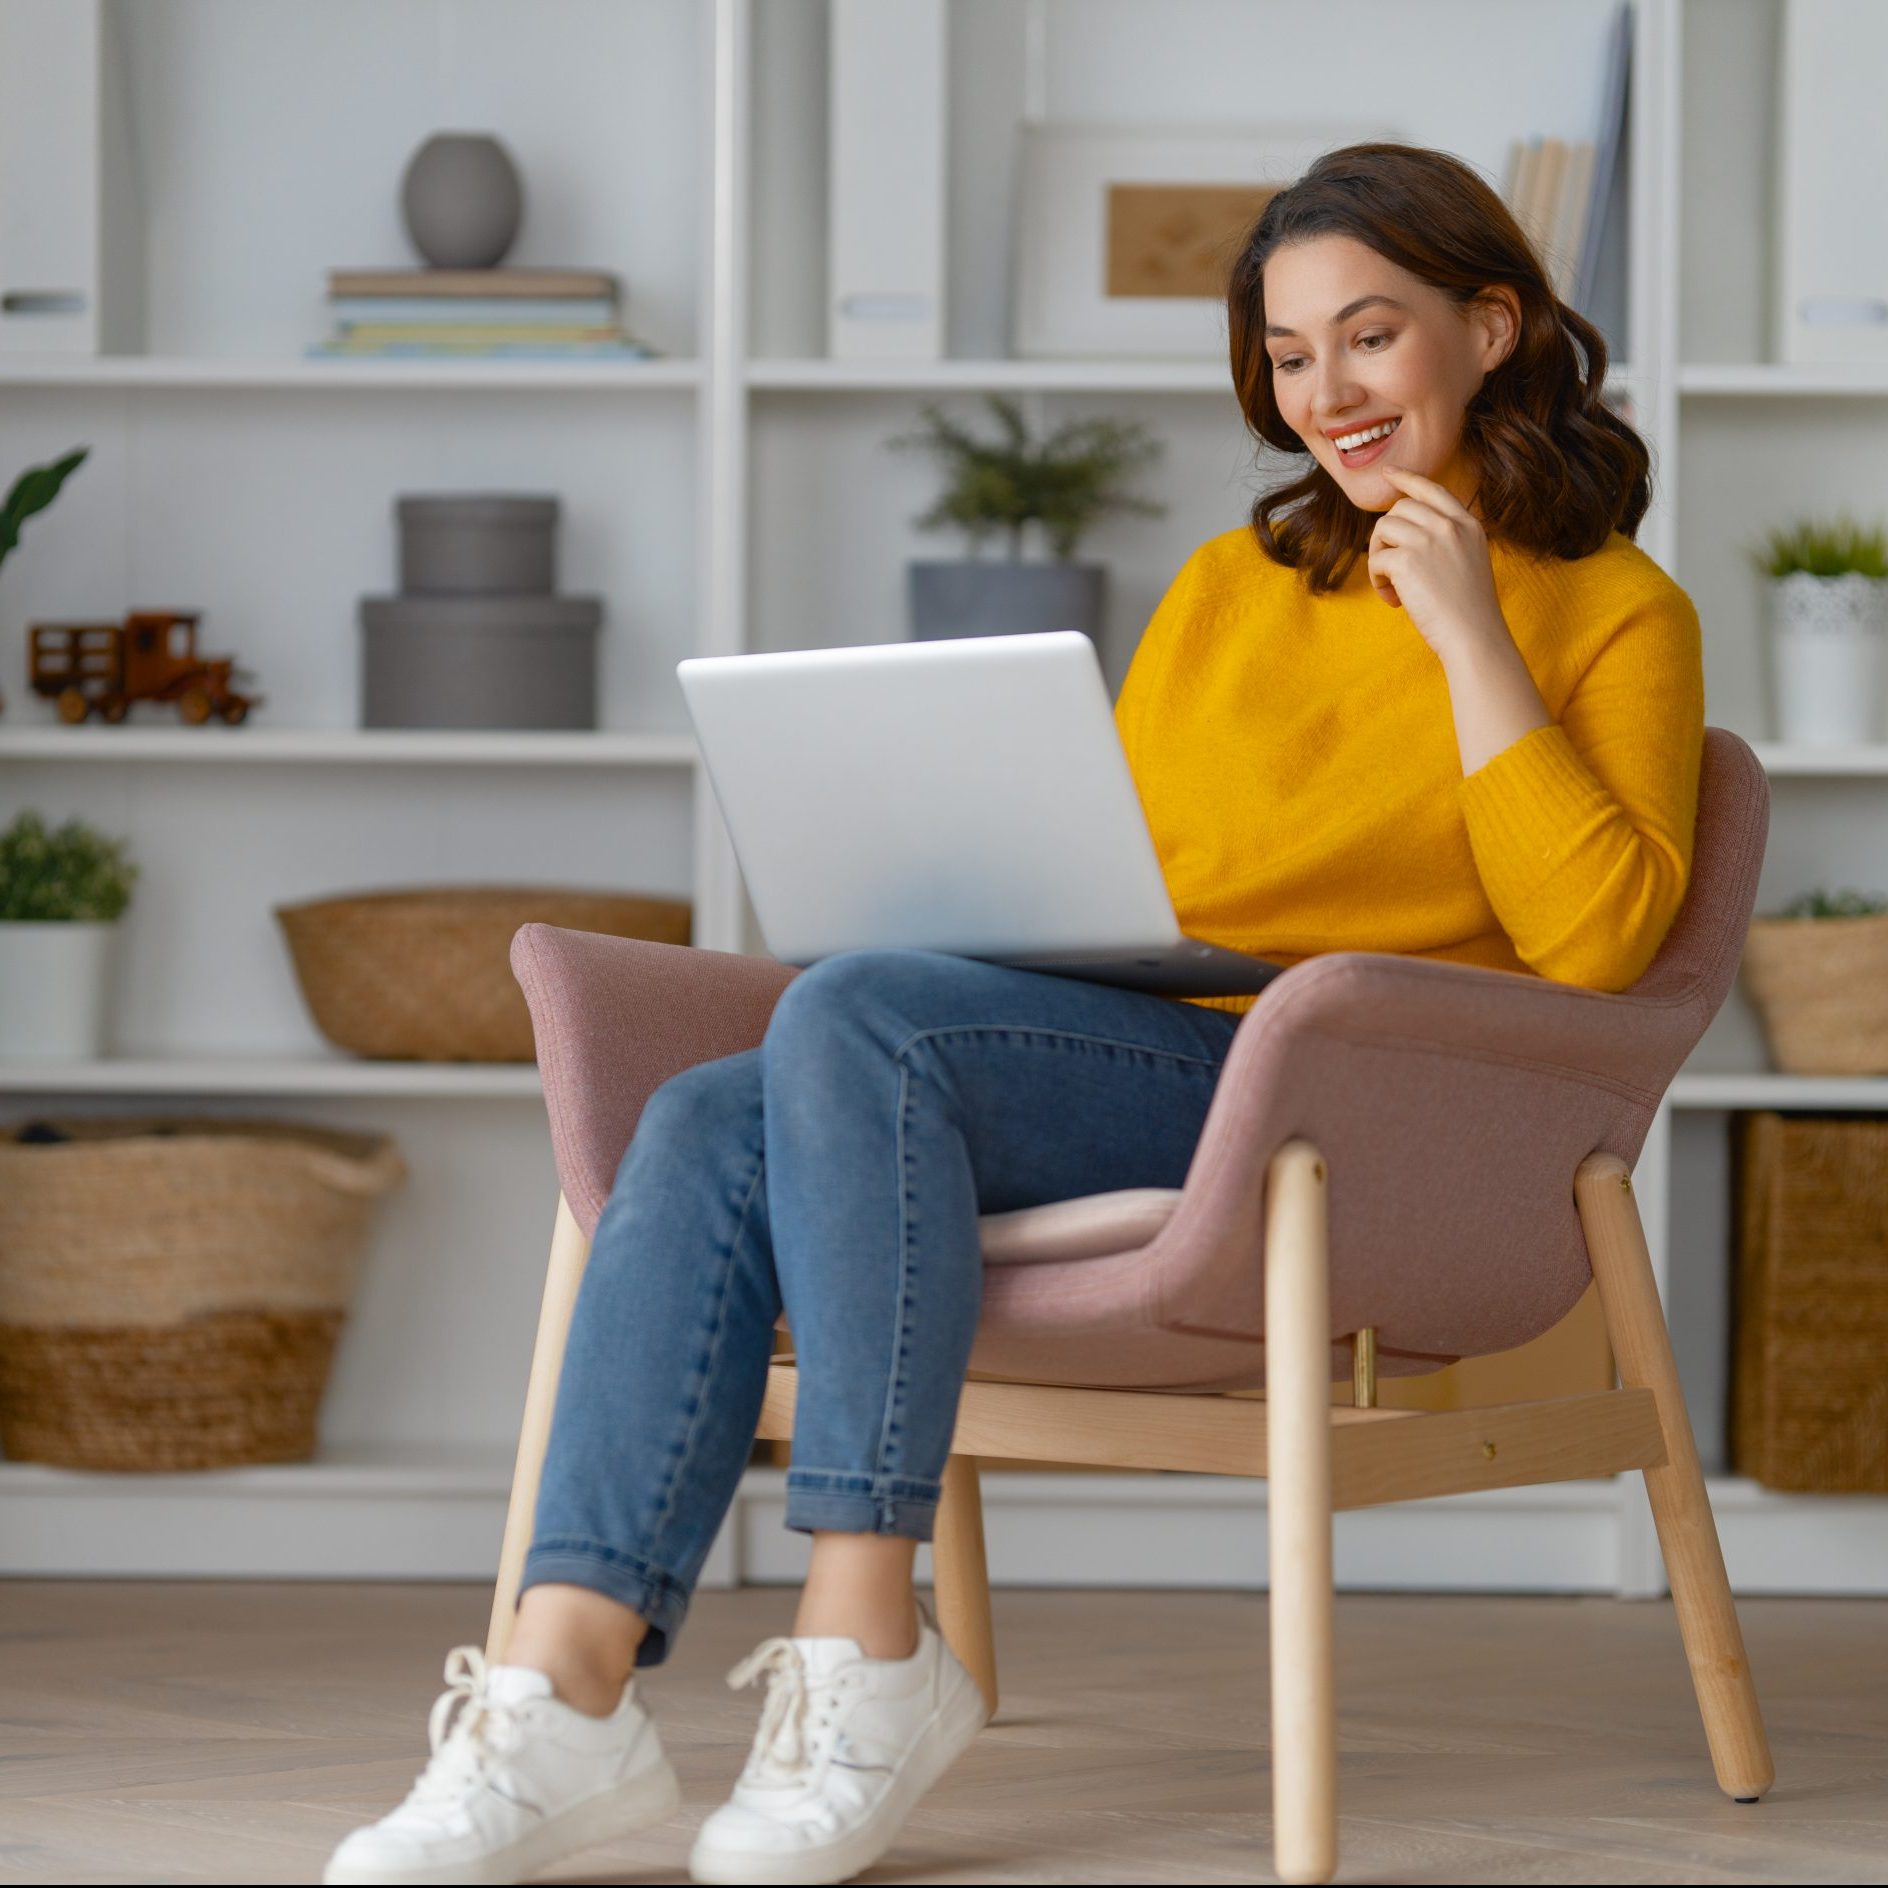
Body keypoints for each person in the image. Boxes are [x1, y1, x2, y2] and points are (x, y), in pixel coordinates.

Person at [323, 140, 1703, 1888]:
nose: (1326, 395)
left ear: (1491, 327)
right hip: (1137, 1041)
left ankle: (866, 1638)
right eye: (1288, 357)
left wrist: (1469, 636)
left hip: (1354, 1099)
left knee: (859, 1022)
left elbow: (1601, 947)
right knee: (709, 1114)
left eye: (1369, 338)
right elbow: (1117, 874)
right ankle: (561, 1690)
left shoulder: (1620, 612)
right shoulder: (1226, 589)